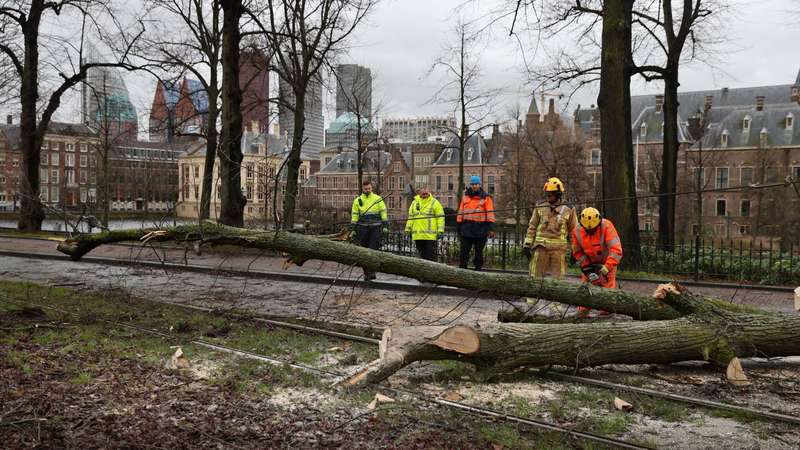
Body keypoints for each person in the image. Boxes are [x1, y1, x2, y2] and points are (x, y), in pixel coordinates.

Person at [571, 207, 623, 317]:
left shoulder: (607, 226)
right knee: (585, 290)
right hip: (589, 263)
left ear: (599, 222)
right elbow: (578, 252)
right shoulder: (577, 231)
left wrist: (606, 268)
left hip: (607, 262)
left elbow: (616, 250)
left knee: (607, 293)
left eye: (593, 230)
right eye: (588, 230)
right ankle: (582, 313)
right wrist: (587, 268)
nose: (590, 231)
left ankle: (606, 315)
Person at [522, 177, 578, 279]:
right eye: (546, 194)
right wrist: (527, 244)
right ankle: (532, 295)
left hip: (559, 251)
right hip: (540, 248)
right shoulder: (540, 206)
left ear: (558, 194)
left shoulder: (569, 209)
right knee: (535, 277)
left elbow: (574, 231)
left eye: (550, 195)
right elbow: (532, 226)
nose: (548, 197)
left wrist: (575, 250)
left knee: (557, 280)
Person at [350, 180, 388, 281]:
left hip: (375, 227)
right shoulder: (357, 201)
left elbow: (383, 212)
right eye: (366, 189)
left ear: (372, 188)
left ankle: (372, 271)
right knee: (364, 251)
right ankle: (366, 273)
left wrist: (385, 225)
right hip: (362, 228)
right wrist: (353, 229)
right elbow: (354, 215)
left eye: (369, 188)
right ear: (362, 189)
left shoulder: (377, 199)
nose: (368, 190)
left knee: (373, 249)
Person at [456, 175, 495, 271]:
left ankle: (478, 271)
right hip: (467, 229)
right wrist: (458, 226)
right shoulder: (465, 197)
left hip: (480, 229)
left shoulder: (486, 198)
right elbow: (460, 212)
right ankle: (462, 271)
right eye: (472, 184)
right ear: (470, 185)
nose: (474, 186)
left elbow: (490, 213)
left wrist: (491, 228)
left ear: (479, 185)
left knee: (478, 253)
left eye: (476, 184)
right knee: (464, 252)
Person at [405, 185, 445, 262]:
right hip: (418, 235)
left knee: (430, 256)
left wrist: (440, 231)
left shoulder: (435, 203)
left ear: (429, 192)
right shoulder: (414, 203)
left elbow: (440, 217)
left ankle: (432, 272)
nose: (425, 195)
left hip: (430, 236)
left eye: (426, 193)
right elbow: (411, 217)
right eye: (423, 194)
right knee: (422, 256)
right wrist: (408, 229)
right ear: (419, 193)